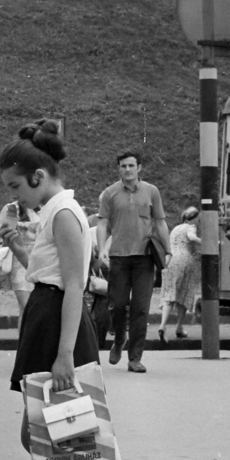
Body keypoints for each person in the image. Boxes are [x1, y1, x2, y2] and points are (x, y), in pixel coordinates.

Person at [0, 121, 105, 460]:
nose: (15, 196)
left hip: (60, 328)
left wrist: (64, 354)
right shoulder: (55, 211)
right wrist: (18, 247)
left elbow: (75, 287)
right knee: (49, 434)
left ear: (39, 176)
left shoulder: (63, 214)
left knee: (51, 436)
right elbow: (49, 274)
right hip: (49, 320)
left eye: (16, 185)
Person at [96, 150, 170, 373]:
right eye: (123, 166)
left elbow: (160, 222)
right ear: (118, 169)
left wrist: (168, 251)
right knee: (117, 305)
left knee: (140, 309)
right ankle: (119, 339)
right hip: (118, 257)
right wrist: (101, 250)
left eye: (131, 165)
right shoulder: (110, 193)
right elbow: (102, 224)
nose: (127, 170)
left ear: (139, 167)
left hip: (144, 259)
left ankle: (135, 358)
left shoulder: (151, 191)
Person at [159, 206, 201, 342]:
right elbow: (192, 238)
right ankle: (179, 327)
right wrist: (208, 243)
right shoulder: (191, 227)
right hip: (185, 261)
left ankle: (162, 325)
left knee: (169, 293)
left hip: (170, 260)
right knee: (184, 293)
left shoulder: (176, 229)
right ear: (194, 218)